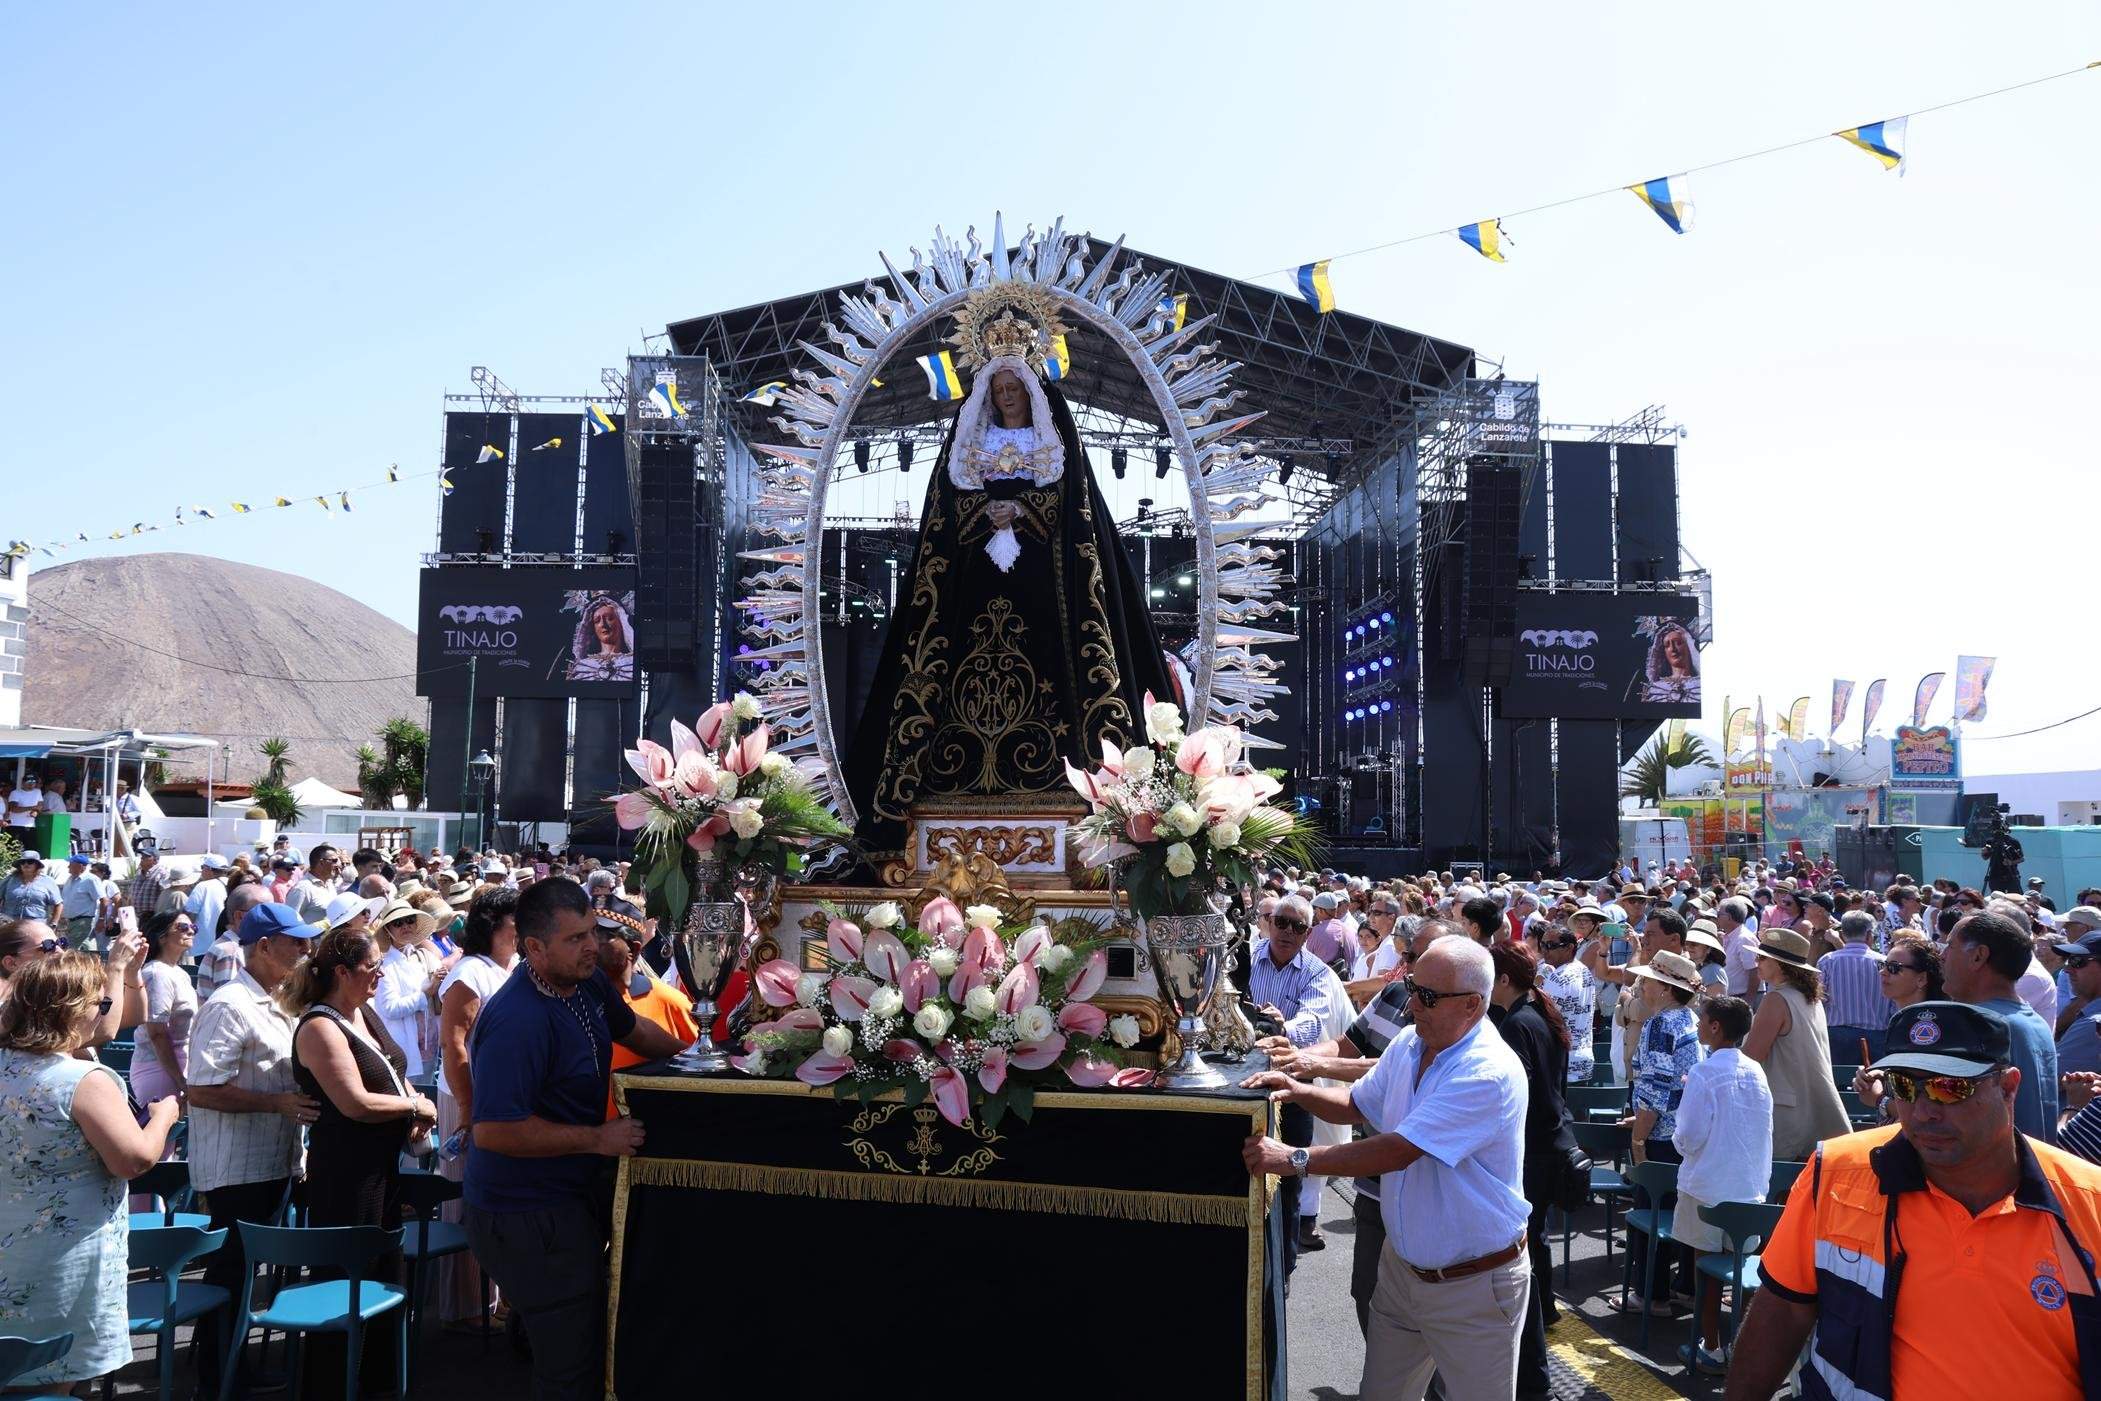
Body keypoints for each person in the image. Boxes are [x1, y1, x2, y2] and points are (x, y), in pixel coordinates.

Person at [842, 318, 1172, 858]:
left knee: (1059, 670)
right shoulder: (969, 439)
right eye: (999, 390)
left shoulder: (1054, 437)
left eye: (1014, 388)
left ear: (1029, 391)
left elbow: (1072, 504)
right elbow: (946, 506)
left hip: (1046, 582)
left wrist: (1023, 508)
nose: (1007, 397)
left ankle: (1078, 787)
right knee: (949, 665)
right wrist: (984, 510)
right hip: (974, 579)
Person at [1723, 1002, 2101, 1401]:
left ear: (2008, 1087)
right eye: (1903, 1086)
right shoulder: (1835, 1173)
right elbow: (1784, 1310)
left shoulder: (2089, 1202)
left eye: (1950, 1087)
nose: (1923, 1112)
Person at [1242, 938, 1531, 1401]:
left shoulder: (1487, 1072)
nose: (1412, 1004)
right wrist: (1298, 1089)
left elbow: (1397, 1150)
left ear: (1473, 1005)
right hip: (1404, 1270)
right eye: (1413, 987)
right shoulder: (1412, 1043)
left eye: (1428, 996)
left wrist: (1295, 1158)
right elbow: (1358, 1104)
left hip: (1472, 1285)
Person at [464, 877, 688, 1401]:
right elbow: (493, 1131)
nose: (593, 946)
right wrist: (598, 1139)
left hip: (564, 1200)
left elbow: (633, 1030)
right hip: (523, 1213)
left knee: (578, 1344)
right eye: (575, 938)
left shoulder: (585, 983)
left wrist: (698, 1063)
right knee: (569, 1364)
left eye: (591, 932)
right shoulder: (516, 1020)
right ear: (534, 947)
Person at [0, 953, 181, 1391]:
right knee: (53, 1378)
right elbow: (132, 1160)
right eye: (101, 1003)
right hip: (62, 1259)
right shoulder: (83, 1080)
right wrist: (163, 1118)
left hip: (10, 1246)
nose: (105, 1013)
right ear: (70, 1010)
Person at [280, 924, 437, 1396]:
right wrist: (414, 1106)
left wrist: (410, 1108)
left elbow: (392, 1068)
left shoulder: (363, 1012)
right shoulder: (319, 1027)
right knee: (345, 1283)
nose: (380, 975)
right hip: (346, 1176)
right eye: (372, 967)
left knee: (384, 1278)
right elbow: (354, 1103)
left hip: (380, 1171)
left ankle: (375, 1384)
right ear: (342, 972)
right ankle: (330, 1387)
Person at [186, 902, 323, 1397]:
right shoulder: (230, 1004)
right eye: (296, 942)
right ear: (264, 946)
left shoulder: (273, 1000)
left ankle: (224, 1368)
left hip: (267, 1161)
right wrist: (276, 1103)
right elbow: (201, 1089)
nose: (306, 949)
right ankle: (218, 1378)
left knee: (241, 1271)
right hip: (235, 1168)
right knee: (232, 1271)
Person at [1487, 942, 1574, 1400]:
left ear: (1503, 979)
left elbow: (1513, 1097)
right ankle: (1546, 1309)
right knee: (1535, 1238)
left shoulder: (1518, 1023)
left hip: (1535, 1148)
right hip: (1550, 1141)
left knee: (1524, 1249)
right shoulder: (1538, 1014)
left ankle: (1534, 1351)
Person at [1671, 995, 1770, 1374]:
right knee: (1739, 1272)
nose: (1698, 1023)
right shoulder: (1756, 1071)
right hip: (1749, 1186)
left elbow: (1689, 1136)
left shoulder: (1704, 1072)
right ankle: (1736, 1346)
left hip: (1708, 1185)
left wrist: (1680, 1141)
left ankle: (1711, 1346)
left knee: (1706, 1270)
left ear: (1715, 1027)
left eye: (1703, 1019)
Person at [435, 885, 518, 1330]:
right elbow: (455, 1046)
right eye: (516, 920)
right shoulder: (469, 973)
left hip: (498, 1101)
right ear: (494, 925)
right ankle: (466, 1305)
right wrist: (468, 1109)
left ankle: (494, 1300)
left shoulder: (510, 967)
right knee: (466, 1199)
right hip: (468, 1099)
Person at [1248, 892, 1346, 1254]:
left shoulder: (1317, 972)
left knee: (1289, 1179)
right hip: (1242, 1076)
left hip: (1291, 1080)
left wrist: (1282, 1027)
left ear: (1308, 933)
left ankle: (1285, 1262)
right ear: (1269, 923)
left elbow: (1313, 1020)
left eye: (1297, 926)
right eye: (1281, 922)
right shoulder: (1244, 958)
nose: (1287, 931)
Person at [1616, 948, 1705, 1317]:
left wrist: (1638, 1141)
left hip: (1660, 1137)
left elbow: (1654, 1093)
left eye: (1649, 980)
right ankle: (1680, 1288)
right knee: (1676, 1216)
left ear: (1666, 989)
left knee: (1650, 1217)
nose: (1641, 984)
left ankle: (1650, 1296)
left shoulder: (1660, 1025)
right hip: (1683, 1134)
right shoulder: (1689, 1019)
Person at [1941, 909, 2061, 1144]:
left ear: (1978, 956)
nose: (1942, 955)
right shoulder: (2035, 1022)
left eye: (1950, 946)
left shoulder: (1977, 1024)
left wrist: (1882, 1100)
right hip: (2028, 1161)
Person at [1742, 927, 1852, 1160]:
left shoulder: (1776, 999)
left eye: (1762, 957)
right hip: (1812, 1112)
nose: (1756, 961)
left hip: (1786, 1116)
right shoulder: (1810, 998)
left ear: (1780, 965)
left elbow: (1750, 1059)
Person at [594, 897, 699, 1116]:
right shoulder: (566, 1000)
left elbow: (700, 1073)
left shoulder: (671, 1002)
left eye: (602, 936)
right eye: (583, 935)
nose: (589, 946)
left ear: (633, 949)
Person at [130, 910, 199, 1122]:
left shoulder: (179, 973)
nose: (190, 931)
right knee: (159, 1137)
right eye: (183, 927)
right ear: (162, 936)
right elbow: (157, 1033)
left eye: (193, 927)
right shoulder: (157, 974)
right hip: (160, 1069)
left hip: (177, 1066)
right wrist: (180, 1080)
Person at [372, 897, 445, 1078]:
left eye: (410, 921)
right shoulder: (385, 966)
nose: (405, 926)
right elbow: (389, 1008)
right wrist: (426, 994)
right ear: (388, 930)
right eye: (398, 923)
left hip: (431, 1044)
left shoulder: (425, 957)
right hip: (406, 1049)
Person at [1820, 909, 1896, 1063]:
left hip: (1837, 1036)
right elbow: (1894, 1001)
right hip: (1877, 1036)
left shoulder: (1827, 961)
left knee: (1838, 1077)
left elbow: (1819, 999)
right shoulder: (1883, 962)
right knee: (1876, 1077)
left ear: (1842, 934)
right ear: (1869, 934)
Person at [1535, 912, 1598, 1082]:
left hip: (1562, 1064)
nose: (1544, 950)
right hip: (1583, 1059)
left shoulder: (1558, 978)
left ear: (1569, 948)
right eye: (1542, 945)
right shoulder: (1584, 970)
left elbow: (1541, 1019)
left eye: (1551, 945)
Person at [564, 592, 635, 682]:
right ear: (592, 627)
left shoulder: (632, 662)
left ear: (622, 622)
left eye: (609, 618)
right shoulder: (582, 667)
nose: (603, 624)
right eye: (597, 621)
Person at [184, 853, 231, 959]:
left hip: (202, 947)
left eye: (202, 867)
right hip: (227, 945)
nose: (201, 871)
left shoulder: (203, 886)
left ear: (209, 869)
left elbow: (190, 915)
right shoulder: (233, 884)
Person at [2, 849, 63, 924]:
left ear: (37, 865)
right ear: (19, 865)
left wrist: (54, 924)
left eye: (30, 862)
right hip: (10, 923)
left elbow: (58, 904)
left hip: (36, 925)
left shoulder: (48, 882)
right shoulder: (9, 880)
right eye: (23, 862)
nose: (26, 864)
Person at [4, 770, 40, 849]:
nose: (31, 784)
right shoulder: (15, 793)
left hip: (30, 825)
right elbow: (14, 809)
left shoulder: (37, 792)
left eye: (33, 782)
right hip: (15, 825)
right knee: (13, 850)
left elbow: (40, 805)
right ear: (23, 783)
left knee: (31, 850)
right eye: (28, 781)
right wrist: (32, 808)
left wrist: (36, 811)